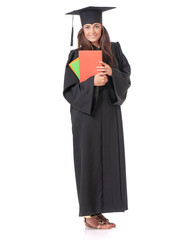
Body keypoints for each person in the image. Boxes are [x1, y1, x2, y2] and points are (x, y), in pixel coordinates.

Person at [63, 6, 131, 229]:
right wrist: (91, 83)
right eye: (87, 26)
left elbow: (126, 78)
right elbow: (69, 90)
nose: (92, 30)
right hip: (86, 116)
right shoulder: (76, 55)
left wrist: (112, 73)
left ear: (102, 27)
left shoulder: (115, 50)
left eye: (96, 26)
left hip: (109, 112)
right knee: (89, 160)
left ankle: (100, 210)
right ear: (82, 30)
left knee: (109, 159)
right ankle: (89, 214)